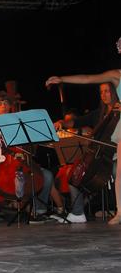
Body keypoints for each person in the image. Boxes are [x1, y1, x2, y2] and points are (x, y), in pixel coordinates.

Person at [0, 91, 54, 224]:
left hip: (21, 161)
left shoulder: (19, 122)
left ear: (10, 106)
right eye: (0, 104)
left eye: (6, 103)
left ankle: (39, 212)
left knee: (47, 175)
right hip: (0, 161)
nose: (4, 106)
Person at [46, 66, 121, 225]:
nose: (104, 95)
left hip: (113, 155)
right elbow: (78, 121)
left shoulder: (118, 110)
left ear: (115, 92)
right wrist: (62, 123)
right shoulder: (99, 113)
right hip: (103, 156)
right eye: (101, 92)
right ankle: (78, 212)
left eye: (107, 91)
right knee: (76, 174)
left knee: (115, 171)